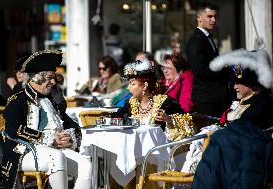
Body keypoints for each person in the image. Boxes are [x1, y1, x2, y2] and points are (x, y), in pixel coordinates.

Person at [1, 50, 92, 189]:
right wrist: (49, 139)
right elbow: (13, 130)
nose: (53, 82)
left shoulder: (52, 101)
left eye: (53, 77)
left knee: (85, 164)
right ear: (36, 78)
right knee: (57, 157)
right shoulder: (18, 100)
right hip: (25, 152)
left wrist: (68, 138)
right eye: (49, 78)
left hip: (54, 150)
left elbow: (71, 124)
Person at [192, 49, 273, 189]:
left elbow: (241, 130)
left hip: (247, 157)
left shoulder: (263, 103)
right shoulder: (242, 101)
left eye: (238, 82)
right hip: (231, 151)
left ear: (251, 82)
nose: (234, 86)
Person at [111, 59, 195, 139]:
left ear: (145, 86)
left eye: (132, 84)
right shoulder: (131, 104)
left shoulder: (165, 103)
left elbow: (189, 125)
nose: (129, 88)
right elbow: (115, 118)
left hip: (161, 150)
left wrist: (169, 119)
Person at [186, 2, 230, 117]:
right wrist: (224, 69)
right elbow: (199, 71)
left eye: (215, 16)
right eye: (209, 17)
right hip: (206, 99)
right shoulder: (196, 40)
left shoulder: (206, 37)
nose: (213, 20)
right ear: (199, 18)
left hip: (215, 97)